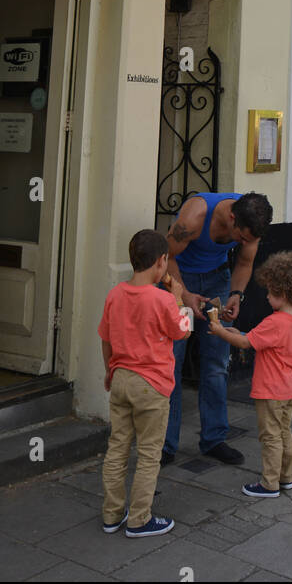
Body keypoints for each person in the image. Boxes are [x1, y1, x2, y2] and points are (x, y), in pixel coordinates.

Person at [162, 191, 273, 466]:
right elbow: (164, 258)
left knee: (217, 362)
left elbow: (245, 263)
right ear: (232, 218)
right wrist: (184, 294)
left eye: (250, 240)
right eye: (242, 237)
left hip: (218, 281)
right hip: (179, 279)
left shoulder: (251, 226)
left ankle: (214, 438)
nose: (244, 243)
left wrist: (236, 294)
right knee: (170, 362)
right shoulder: (195, 216)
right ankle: (164, 444)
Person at [98, 229, 192, 538]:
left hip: (121, 378)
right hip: (152, 384)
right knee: (150, 453)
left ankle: (112, 514)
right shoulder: (163, 300)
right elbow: (182, 331)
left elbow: (106, 338)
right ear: (162, 261)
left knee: (117, 448)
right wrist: (179, 299)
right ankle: (139, 519)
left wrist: (109, 371)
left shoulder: (115, 294)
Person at [208, 250, 292, 497]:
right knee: (284, 433)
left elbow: (247, 344)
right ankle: (285, 477)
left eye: (270, 292)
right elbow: (254, 339)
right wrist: (232, 331)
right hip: (287, 389)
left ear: (284, 292)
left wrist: (219, 330)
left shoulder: (274, 322)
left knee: (269, 437)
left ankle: (269, 483)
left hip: (270, 391)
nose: (266, 297)